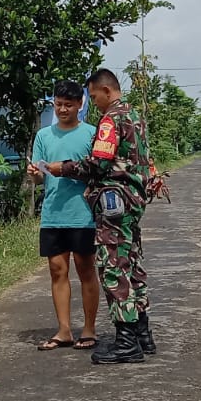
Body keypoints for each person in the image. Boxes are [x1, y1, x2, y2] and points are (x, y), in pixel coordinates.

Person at [45, 68, 156, 365]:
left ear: (106, 91)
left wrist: (62, 168)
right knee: (133, 266)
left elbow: (97, 164)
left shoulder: (111, 120)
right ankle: (142, 333)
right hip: (133, 203)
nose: (93, 103)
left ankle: (126, 341)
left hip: (114, 207)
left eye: (93, 97)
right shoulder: (134, 116)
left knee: (114, 269)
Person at [27, 80, 101, 351]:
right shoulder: (43, 136)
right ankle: (64, 330)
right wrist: (35, 175)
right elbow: (38, 177)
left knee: (85, 269)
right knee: (57, 270)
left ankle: (89, 329)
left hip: (83, 214)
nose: (62, 109)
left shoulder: (92, 134)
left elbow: (98, 170)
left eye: (68, 105)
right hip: (53, 213)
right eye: (58, 104)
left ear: (80, 104)